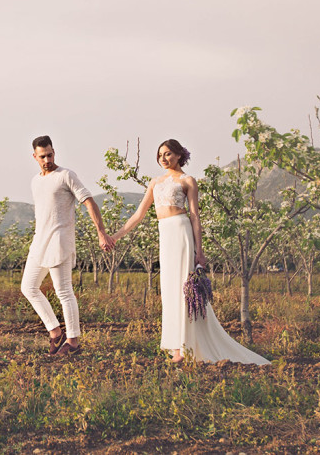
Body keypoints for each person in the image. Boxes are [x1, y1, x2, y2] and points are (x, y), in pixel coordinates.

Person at [110, 139, 268, 365]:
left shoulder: (187, 180)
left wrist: (199, 251)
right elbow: (138, 215)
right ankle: (176, 345)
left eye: (168, 154)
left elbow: (195, 216)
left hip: (181, 232)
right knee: (170, 290)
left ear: (179, 155)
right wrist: (114, 237)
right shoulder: (155, 182)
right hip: (165, 233)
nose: (163, 158)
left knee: (185, 289)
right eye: (160, 155)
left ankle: (184, 348)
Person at [21, 135, 114, 356]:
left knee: (64, 292)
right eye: (42, 156)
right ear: (35, 156)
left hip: (59, 241)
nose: (47, 160)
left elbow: (89, 201)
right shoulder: (36, 181)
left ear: (54, 152)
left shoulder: (66, 176)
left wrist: (101, 233)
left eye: (50, 154)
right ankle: (55, 332)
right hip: (39, 241)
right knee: (28, 287)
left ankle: (73, 341)